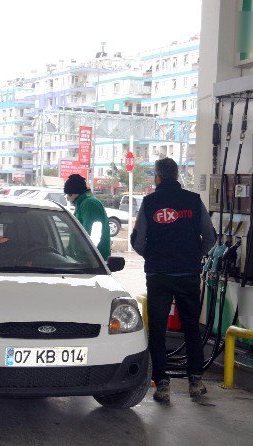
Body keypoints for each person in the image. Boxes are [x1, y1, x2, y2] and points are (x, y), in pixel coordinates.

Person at [131, 158, 216, 404]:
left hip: (158, 275)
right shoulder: (193, 200)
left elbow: (137, 241)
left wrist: (155, 256)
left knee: (157, 328)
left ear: (158, 177)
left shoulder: (149, 203)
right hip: (188, 274)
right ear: (176, 176)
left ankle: (163, 384)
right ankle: (196, 380)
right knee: (191, 326)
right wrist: (193, 255)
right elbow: (210, 238)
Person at [63, 174, 111, 260]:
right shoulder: (82, 203)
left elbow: (90, 235)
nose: (67, 199)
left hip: (92, 261)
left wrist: (82, 257)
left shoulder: (89, 204)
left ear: (74, 193)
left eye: (68, 195)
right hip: (83, 259)